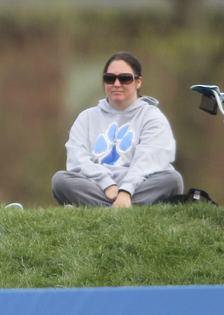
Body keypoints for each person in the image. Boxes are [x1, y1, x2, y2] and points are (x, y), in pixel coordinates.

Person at [52, 52, 183, 207]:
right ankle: (124, 209)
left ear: (138, 82)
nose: (116, 84)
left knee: (172, 180)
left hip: (140, 185)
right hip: (98, 186)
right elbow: (77, 159)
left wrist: (126, 190)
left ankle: (102, 208)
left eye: (125, 78)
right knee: (60, 180)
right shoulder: (86, 118)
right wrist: (107, 184)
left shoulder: (152, 117)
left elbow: (148, 161)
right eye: (109, 78)